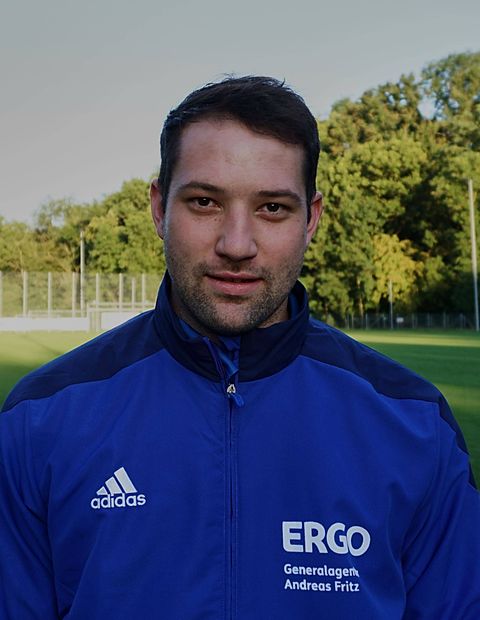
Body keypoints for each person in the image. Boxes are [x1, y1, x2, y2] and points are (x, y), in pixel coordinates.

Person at [0, 76, 479, 620]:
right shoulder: (39, 421)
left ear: (311, 219)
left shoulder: (414, 424)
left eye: (272, 208)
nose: (236, 244)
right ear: (159, 209)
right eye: (205, 202)